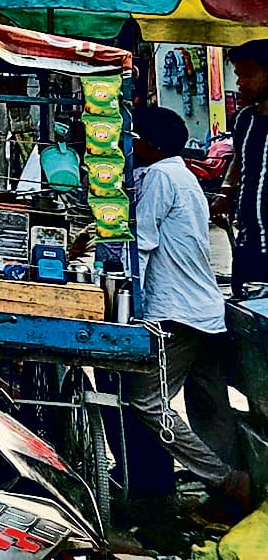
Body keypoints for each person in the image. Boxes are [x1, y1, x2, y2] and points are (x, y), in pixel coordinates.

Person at [125, 105, 251, 523]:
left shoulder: (162, 175)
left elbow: (142, 243)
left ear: (151, 143)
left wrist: (130, 306)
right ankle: (230, 498)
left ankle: (225, 479)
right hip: (204, 309)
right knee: (209, 407)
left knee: (146, 402)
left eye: (134, 135)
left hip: (176, 311)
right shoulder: (177, 173)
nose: (130, 142)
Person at [221, 39, 268, 291]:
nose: (240, 83)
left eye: (248, 75)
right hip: (248, 241)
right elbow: (239, 160)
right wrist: (226, 192)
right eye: (238, 75)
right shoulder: (244, 120)